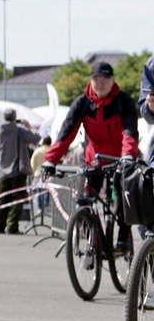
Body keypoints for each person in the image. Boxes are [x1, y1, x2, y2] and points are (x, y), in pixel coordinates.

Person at [42, 61, 139, 248]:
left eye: (105, 79)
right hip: (93, 159)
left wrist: (128, 155)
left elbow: (129, 131)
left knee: (122, 193)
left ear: (112, 81)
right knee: (83, 201)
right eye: (96, 79)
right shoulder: (83, 103)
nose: (101, 83)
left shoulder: (123, 101)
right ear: (90, 81)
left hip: (120, 158)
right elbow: (66, 133)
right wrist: (50, 160)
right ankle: (93, 243)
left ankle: (123, 236)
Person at [0, 109, 41, 234]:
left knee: (2, 199)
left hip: (2, 170)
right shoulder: (19, 129)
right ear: (14, 117)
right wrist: (28, 126)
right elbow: (36, 138)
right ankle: (12, 226)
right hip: (17, 170)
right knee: (17, 199)